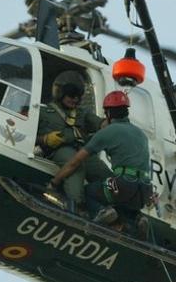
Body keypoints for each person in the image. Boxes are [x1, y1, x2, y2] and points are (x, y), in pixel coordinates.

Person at [50, 90, 151, 228]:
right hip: (145, 191)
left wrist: (55, 182)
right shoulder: (141, 134)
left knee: (89, 192)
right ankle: (136, 218)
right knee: (121, 199)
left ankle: (102, 211)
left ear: (108, 113)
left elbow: (75, 162)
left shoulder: (108, 132)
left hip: (123, 185)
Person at [37, 81, 108, 211]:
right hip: (60, 150)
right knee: (75, 166)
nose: (74, 99)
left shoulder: (82, 113)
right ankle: (76, 206)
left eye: (77, 97)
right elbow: (31, 135)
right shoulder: (43, 112)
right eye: (71, 96)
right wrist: (45, 139)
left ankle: (113, 211)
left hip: (82, 150)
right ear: (62, 95)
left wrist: (111, 118)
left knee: (105, 174)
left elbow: (100, 124)